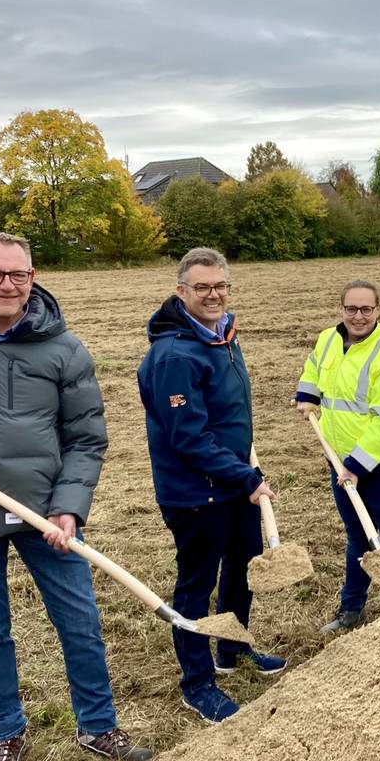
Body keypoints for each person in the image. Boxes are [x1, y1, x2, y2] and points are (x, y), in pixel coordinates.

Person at [0, 233, 152, 761]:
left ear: (33, 278)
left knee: (79, 622)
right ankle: (5, 734)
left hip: (45, 515)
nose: (7, 285)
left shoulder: (63, 348)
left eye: (18, 275)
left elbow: (86, 438)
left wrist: (68, 509)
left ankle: (98, 727)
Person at [137, 247, 285, 724]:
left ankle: (232, 649)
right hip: (196, 492)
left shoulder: (223, 336)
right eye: (202, 287)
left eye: (220, 285)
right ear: (181, 291)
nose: (213, 294)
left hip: (234, 482)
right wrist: (246, 476)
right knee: (196, 586)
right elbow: (189, 438)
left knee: (242, 569)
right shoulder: (174, 355)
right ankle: (198, 683)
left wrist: (243, 471)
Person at [295, 279, 380, 634]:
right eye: (351, 308)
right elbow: (313, 368)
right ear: (341, 309)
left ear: (378, 310)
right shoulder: (328, 339)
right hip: (342, 459)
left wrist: (355, 467)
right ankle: (351, 610)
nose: (358, 316)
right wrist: (308, 395)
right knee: (358, 536)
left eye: (367, 309)